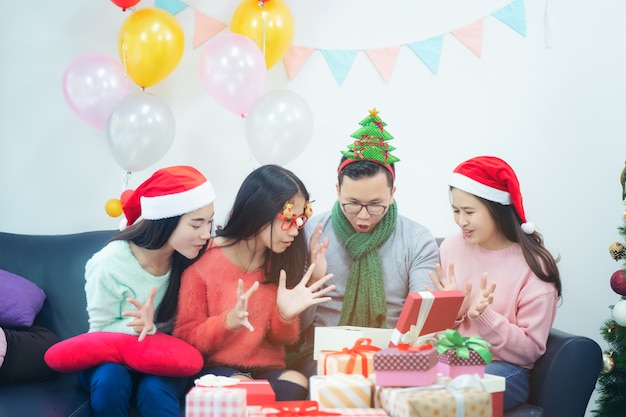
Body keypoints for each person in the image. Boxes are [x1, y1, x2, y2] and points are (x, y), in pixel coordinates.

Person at [295, 108, 440, 377]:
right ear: (337, 191)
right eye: (352, 204)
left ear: (392, 193)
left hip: (394, 360)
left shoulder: (417, 239)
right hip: (323, 359)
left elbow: (424, 328)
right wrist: (313, 280)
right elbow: (293, 331)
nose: (363, 216)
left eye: (375, 205)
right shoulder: (309, 232)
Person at [173, 164, 335, 401]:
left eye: (301, 220)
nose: (294, 231)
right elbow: (185, 337)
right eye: (289, 219)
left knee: (296, 384)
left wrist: (286, 316)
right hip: (218, 370)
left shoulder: (282, 262)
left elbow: (286, 340)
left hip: (269, 369)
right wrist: (227, 323)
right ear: (260, 211)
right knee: (242, 390)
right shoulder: (203, 260)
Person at [79, 165, 216, 417]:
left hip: (162, 359)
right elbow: (98, 332)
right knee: (112, 379)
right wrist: (140, 328)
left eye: (209, 222)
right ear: (166, 220)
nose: (206, 234)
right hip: (111, 360)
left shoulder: (192, 256)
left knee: (155, 389)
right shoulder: (107, 265)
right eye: (196, 225)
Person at [428, 155, 562, 411]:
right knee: (400, 383)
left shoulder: (534, 266)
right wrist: (451, 313)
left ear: (497, 210)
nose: (461, 221)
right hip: (451, 358)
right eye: (456, 211)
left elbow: (530, 351)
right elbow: (436, 335)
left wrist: (484, 317)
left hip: (504, 368)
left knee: (450, 399)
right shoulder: (451, 247)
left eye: (469, 212)